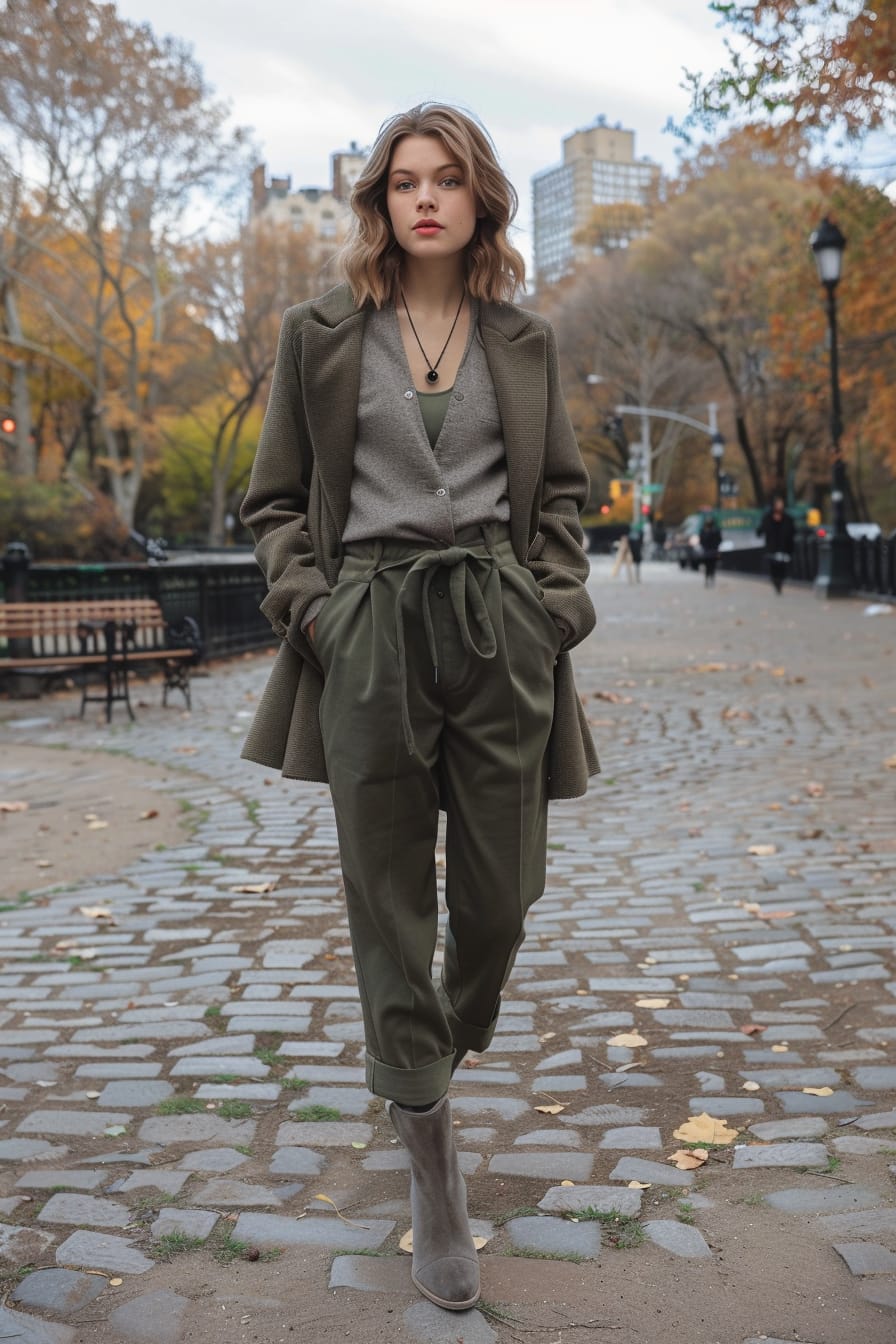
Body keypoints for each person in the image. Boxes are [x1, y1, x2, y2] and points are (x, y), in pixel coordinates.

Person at [238, 103, 597, 1313]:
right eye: (403, 182)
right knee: (386, 898)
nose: (424, 199)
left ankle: (430, 1043)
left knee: (497, 899)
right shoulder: (322, 334)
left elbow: (559, 500)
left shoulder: (524, 340)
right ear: (379, 203)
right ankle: (430, 1156)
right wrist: (316, 610)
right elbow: (274, 502)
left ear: (477, 198)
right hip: (370, 630)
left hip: (499, 629)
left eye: (446, 180)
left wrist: (550, 608)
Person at [757, 495, 796, 594]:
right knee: (773, 568)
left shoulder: (787, 518)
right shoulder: (767, 518)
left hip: (784, 548)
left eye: (781, 504)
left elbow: (793, 531)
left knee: (782, 568)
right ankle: (776, 584)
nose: (780, 506)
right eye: (778, 504)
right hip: (772, 548)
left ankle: (780, 583)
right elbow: (760, 531)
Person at [699, 514, 722, 587]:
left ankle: (708, 579)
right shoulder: (716, 531)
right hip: (713, 551)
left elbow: (701, 541)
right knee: (712, 566)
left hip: (707, 552)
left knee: (708, 566)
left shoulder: (703, 531)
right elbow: (720, 540)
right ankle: (711, 579)